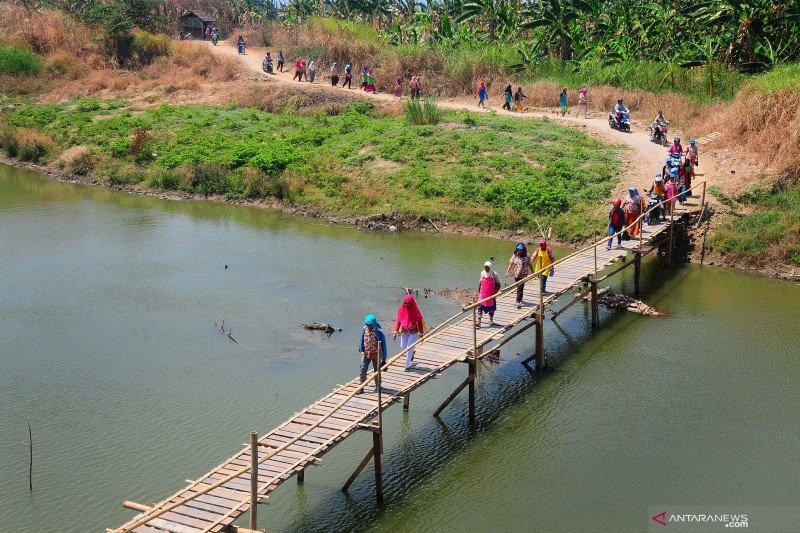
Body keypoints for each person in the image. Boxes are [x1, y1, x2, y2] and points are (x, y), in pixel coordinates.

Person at [393, 295, 425, 371]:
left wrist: (421, 333)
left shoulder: (415, 310)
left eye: (408, 303)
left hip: (413, 332)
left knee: (409, 348)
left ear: (411, 303)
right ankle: (412, 352)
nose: (407, 305)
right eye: (405, 303)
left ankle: (407, 366)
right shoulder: (402, 310)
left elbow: (419, 322)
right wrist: (395, 331)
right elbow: (398, 321)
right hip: (404, 331)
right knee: (403, 347)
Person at [358, 314, 387, 391]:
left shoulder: (379, 332)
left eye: (369, 324)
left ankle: (378, 386)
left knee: (377, 370)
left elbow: (383, 344)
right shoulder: (364, 329)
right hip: (366, 353)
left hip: (376, 354)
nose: (368, 326)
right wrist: (361, 350)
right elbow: (361, 340)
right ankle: (361, 387)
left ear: (373, 323)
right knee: (363, 369)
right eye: (367, 324)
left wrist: (384, 357)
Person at [505, 243, 534, 309]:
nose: (519, 251)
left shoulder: (527, 255)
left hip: (524, 274)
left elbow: (530, 264)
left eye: (521, 250)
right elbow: (511, 263)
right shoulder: (515, 255)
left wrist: (532, 272)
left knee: (520, 286)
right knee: (519, 287)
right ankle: (520, 299)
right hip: (516, 274)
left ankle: (517, 301)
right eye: (518, 249)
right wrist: (507, 271)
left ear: (523, 250)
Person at [476, 260, 501, 327]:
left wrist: (495, 293)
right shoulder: (482, 273)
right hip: (482, 294)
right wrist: (478, 292)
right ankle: (479, 322)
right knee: (479, 307)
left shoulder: (494, 274)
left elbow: (498, 284)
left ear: (490, 267)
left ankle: (491, 319)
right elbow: (480, 283)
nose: (486, 269)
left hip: (491, 294)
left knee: (491, 309)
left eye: (488, 267)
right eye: (485, 267)